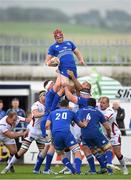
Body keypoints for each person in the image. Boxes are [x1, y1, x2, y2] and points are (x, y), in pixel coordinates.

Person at [1, 91, 50, 174]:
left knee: (43, 152)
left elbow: (27, 119)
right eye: (44, 95)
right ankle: (7, 167)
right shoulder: (36, 105)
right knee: (22, 151)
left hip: (41, 132)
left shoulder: (48, 105)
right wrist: (46, 113)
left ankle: (36, 169)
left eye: (46, 95)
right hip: (32, 131)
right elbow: (35, 114)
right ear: (40, 97)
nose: (46, 96)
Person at [77, 98, 120, 173]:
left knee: (95, 151)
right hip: (95, 133)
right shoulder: (98, 112)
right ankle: (109, 163)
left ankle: (100, 168)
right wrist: (109, 134)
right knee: (108, 148)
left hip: (85, 135)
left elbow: (74, 121)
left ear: (87, 104)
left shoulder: (80, 110)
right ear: (95, 105)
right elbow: (107, 127)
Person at [45, 99, 88, 174]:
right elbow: (80, 125)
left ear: (60, 106)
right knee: (76, 151)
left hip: (55, 134)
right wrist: (85, 124)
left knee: (61, 153)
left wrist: (50, 137)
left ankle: (72, 170)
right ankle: (77, 171)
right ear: (68, 106)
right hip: (66, 133)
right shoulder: (71, 112)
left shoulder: (52, 113)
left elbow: (47, 125)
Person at [99, 96, 128, 175]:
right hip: (105, 134)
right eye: (101, 102)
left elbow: (103, 119)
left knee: (118, 153)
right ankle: (109, 170)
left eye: (103, 103)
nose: (101, 104)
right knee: (104, 151)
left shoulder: (110, 111)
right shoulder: (99, 108)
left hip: (114, 134)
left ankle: (124, 167)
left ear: (108, 104)